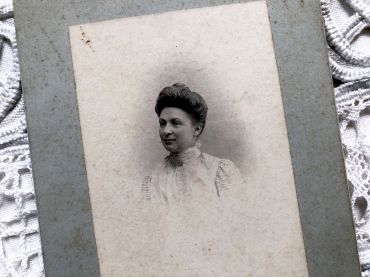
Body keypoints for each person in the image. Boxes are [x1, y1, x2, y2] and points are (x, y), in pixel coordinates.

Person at [141, 83, 243, 204]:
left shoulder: (219, 172)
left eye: (176, 123)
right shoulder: (152, 179)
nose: (166, 131)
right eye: (162, 123)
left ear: (197, 129)